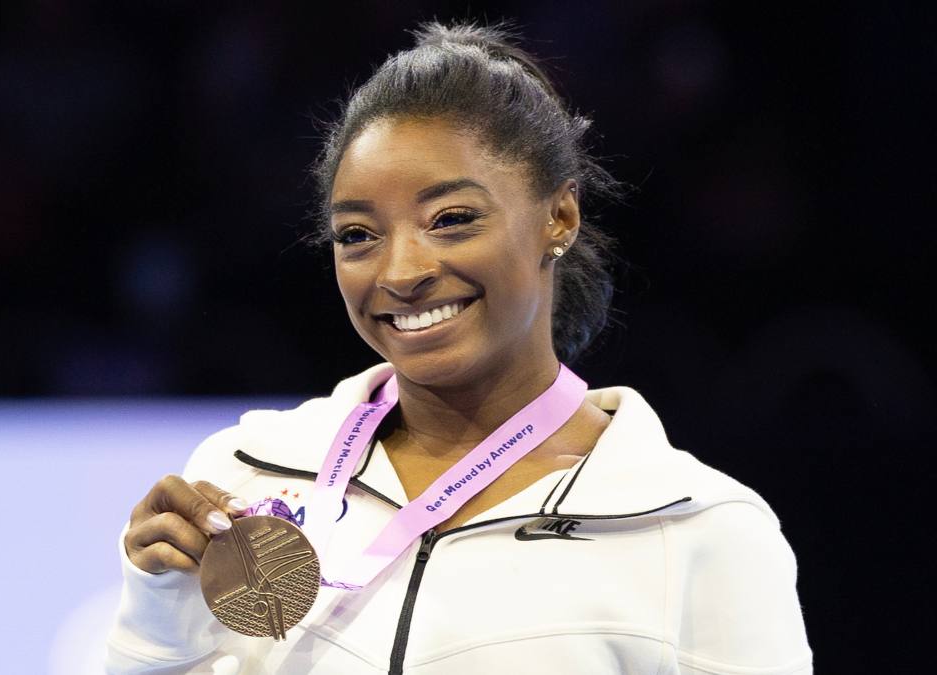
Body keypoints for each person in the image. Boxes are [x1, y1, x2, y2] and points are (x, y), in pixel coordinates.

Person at [105, 21, 812, 675]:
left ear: (558, 217)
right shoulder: (244, 475)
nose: (401, 272)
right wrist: (155, 618)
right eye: (358, 234)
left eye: (451, 219)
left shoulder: (696, 529)